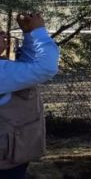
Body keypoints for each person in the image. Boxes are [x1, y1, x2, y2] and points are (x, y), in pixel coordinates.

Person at [0, 13, 60, 178]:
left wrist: (28, 35)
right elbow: (45, 68)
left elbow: (27, 67)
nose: (3, 34)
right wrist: (38, 32)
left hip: (10, 154)